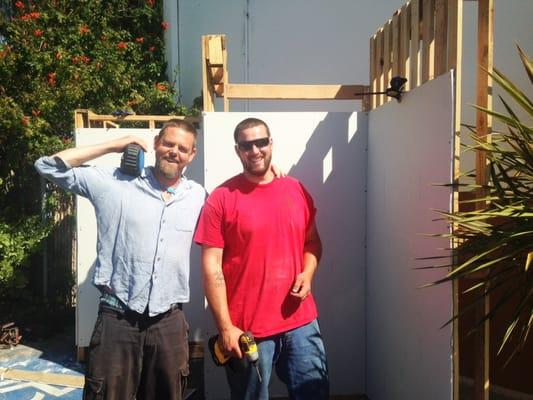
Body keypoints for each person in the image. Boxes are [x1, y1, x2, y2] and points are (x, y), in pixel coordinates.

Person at [34, 120, 205, 400]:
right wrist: (115, 144)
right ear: (156, 145)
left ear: (192, 155)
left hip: (169, 321)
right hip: (118, 318)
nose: (174, 152)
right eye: (168, 144)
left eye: (182, 148)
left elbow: (235, 213)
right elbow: (48, 166)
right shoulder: (114, 182)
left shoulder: (197, 196)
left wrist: (269, 176)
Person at [194, 117, 330, 400]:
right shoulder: (221, 198)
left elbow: (313, 242)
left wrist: (308, 273)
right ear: (237, 150)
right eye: (247, 145)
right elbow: (212, 268)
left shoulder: (296, 190)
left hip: (301, 322)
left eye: (261, 142)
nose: (255, 151)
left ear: (271, 144)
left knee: (314, 394)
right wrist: (225, 328)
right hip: (248, 330)